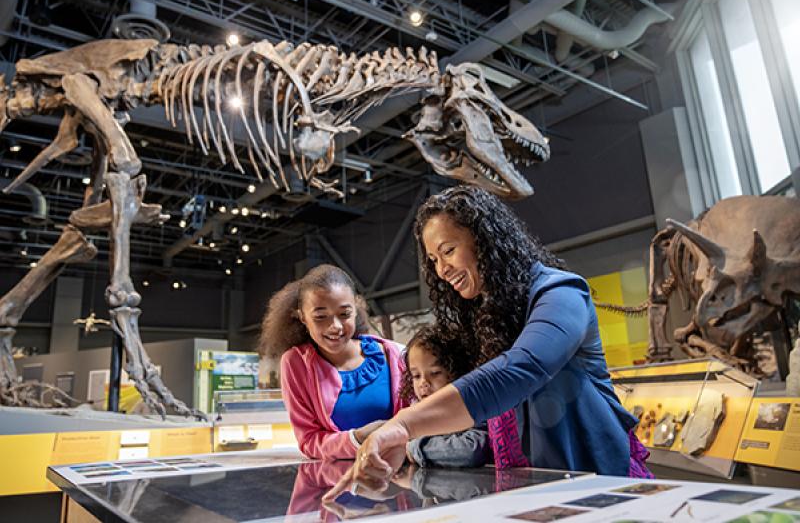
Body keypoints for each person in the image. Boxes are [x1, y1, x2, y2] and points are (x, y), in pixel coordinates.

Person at [325, 186, 651, 498]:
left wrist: (402, 426)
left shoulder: (562, 292)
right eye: (434, 260)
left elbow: (522, 368)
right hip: (535, 491)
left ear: (484, 241)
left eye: (449, 251)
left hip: (600, 485)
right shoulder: (486, 318)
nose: (442, 270)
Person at [259, 264, 407, 460]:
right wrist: (357, 439)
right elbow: (309, 441)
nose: (335, 326)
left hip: (398, 477)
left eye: (344, 314)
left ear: (356, 310)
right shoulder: (296, 363)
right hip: (336, 482)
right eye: (321, 317)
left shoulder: (394, 354)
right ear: (303, 317)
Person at [400, 326, 491, 468]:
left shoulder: (471, 404)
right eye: (416, 376)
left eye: (435, 373)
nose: (423, 383)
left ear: (457, 371)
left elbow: (473, 450)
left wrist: (414, 449)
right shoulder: (415, 411)